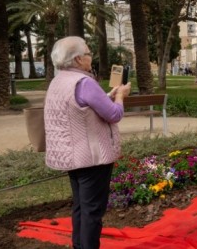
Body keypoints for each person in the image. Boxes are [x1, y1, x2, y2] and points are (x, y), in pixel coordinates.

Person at [44, 36, 131, 249]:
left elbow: (82, 106)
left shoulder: (58, 81)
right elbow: (114, 114)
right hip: (93, 158)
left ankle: (79, 245)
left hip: (72, 157)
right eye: (89, 53)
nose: (91, 56)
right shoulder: (84, 82)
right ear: (78, 59)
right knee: (93, 210)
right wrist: (120, 97)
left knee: (81, 206)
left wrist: (107, 95)